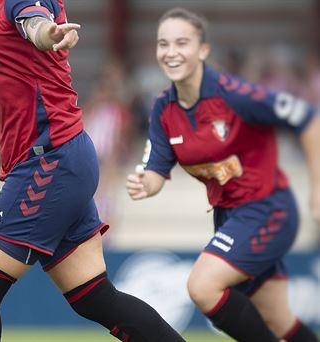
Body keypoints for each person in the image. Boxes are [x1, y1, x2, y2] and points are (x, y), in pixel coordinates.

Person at [0, 2, 184, 341]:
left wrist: (49, 34)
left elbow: (36, 25)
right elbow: (8, 22)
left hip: (48, 162)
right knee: (94, 298)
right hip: (61, 159)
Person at [126, 7, 319, 342]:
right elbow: (156, 170)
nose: (171, 52)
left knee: (202, 286)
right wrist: (145, 182)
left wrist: (318, 191)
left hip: (267, 209)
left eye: (182, 43)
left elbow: (310, 121)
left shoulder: (235, 95)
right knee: (279, 322)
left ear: (203, 50)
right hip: (229, 217)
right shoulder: (162, 109)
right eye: (163, 44)